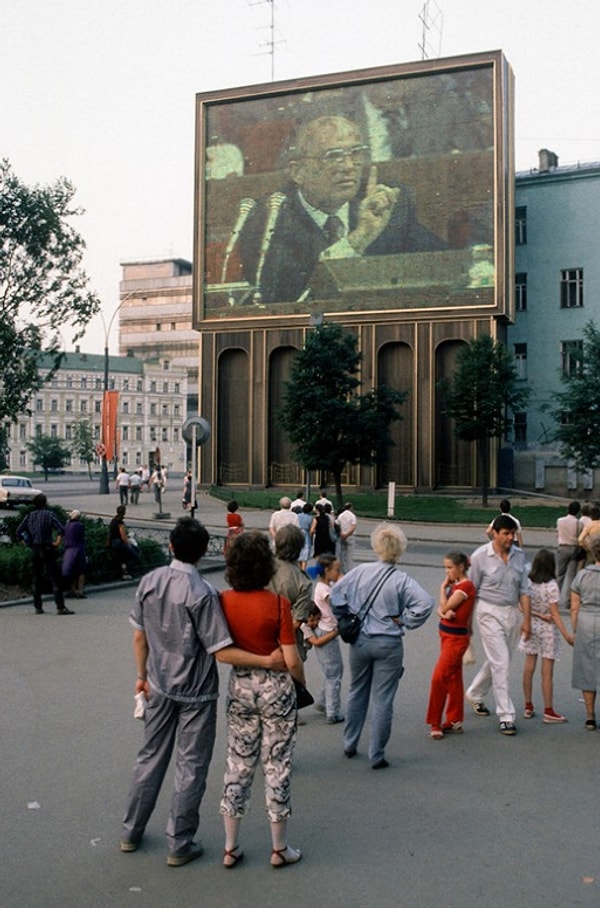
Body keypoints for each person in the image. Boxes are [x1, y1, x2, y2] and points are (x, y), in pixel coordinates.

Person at [121, 518, 286, 866]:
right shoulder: (203, 594)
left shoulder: (149, 581)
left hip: (159, 683)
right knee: (191, 765)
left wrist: (142, 676)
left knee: (149, 758)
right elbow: (220, 651)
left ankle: (131, 831)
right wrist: (267, 661)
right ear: (201, 554)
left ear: (171, 546)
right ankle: (179, 842)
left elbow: (140, 636)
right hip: (196, 692)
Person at [236, 115, 446, 303]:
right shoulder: (268, 217)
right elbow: (282, 295)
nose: (348, 166)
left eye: (355, 153)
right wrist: (358, 238)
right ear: (298, 172)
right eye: (333, 156)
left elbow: (442, 263)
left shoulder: (384, 203)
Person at [217, 530, 306, 869]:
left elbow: (222, 653)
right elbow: (291, 658)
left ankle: (230, 846)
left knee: (238, 763)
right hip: (276, 691)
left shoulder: (223, 601)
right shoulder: (279, 605)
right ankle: (279, 848)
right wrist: (298, 680)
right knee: (277, 764)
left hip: (240, 687)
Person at [330, 523, 434, 768]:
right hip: (389, 642)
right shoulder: (401, 580)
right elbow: (426, 603)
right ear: (400, 550)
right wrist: (406, 620)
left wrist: (345, 616)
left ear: (377, 546)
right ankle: (376, 753)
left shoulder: (360, 572)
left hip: (361, 641)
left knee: (357, 691)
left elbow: (336, 596)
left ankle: (349, 742)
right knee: (383, 699)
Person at [465, 514, 531, 735]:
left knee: (500, 660)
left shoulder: (519, 556)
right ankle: (506, 715)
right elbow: (470, 592)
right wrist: (467, 624)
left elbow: (524, 590)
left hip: (511, 612)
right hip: (488, 611)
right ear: (494, 533)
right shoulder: (480, 557)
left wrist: (527, 621)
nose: (511, 538)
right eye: (506, 534)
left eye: (513, 534)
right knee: (501, 662)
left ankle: (475, 693)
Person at [519, 548, 574, 723]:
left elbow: (522, 606)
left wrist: (536, 615)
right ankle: (549, 710)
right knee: (547, 672)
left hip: (531, 625)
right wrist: (566, 634)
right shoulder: (551, 585)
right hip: (547, 630)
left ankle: (528, 705)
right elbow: (555, 614)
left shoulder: (528, 582)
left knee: (529, 666)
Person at [425, 552, 476, 739]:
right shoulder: (457, 586)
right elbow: (443, 610)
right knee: (453, 678)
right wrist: (443, 611)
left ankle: (435, 721)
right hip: (447, 635)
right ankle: (454, 719)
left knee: (439, 678)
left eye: (449, 567)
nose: (447, 572)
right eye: (445, 568)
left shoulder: (465, 587)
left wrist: (442, 598)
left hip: (455, 639)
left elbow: (444, 608)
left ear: (461, 567)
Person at [16, 493, 74, 615]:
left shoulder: (29, 516)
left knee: (36, 578)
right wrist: (57, 541)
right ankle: (60, 606)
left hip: (35, 549)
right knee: (54, 577)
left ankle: (38, 606)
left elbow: (19, 531)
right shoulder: (49, 515)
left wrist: (26, 542)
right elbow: (61, 529)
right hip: (47, 548)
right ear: (45, 503)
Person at [304, 553, 344, 723]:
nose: (339, 572)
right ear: (327, 571)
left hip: (325, 631)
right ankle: (332, 712)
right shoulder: (324, 590)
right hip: (327, 633)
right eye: (337, 570)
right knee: (334, 674)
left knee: (332, 671)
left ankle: (322, 702)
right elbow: (337, 603)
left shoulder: (324, 585)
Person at [268, 525, 313, 657]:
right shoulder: (303, 581)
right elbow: (296, 623)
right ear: (300, 548)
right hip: (285, 648)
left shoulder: (261, 566)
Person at [570, 534, 600, 730]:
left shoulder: (582, 575)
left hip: (587, 623)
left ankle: (590, 716)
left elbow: (574, 606)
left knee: (587, 669)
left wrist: (575, 628)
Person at [556, 500, 581, 608]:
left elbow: (558, 533)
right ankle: (567, 601)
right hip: (574, 548)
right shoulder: (579, 523)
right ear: (578, 511)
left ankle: (555, 599)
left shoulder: (560, 521)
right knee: (571, 575)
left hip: (562, 547)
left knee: (559, 574)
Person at [108, 504, 140, 580]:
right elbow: (123, 536)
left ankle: (123, 573)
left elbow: (110, 533)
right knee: (135, 555)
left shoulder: (113, 521)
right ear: (124, 512)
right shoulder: (120, 523)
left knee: (121, 558)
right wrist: (128, 544)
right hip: (119, 543)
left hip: (113, 543)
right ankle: (129, 572)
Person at [62, 509, 87, 599]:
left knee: (71, 570)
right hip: (79, 549)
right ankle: (80, 590)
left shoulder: (66, 525)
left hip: (68, 549)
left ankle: (72, 589)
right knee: (80, 571)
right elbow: (82, 537)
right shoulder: (80, 525)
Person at [335, 502, 357, 573]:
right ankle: (349, 571)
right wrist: (347, 534)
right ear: (351, 508)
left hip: (342, 535)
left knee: (342, 554)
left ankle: (342, 570)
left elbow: (337, 524)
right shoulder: (352, 516)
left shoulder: (341, 515)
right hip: (350, 536)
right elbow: (353, 527)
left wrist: (341, 533)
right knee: (349, 555)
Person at [296, 501, 314, 571]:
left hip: (298, 534)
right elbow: (311, 530)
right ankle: (303, 570)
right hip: (306, 535)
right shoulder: (311, 518)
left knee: (298, 553)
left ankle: (299, 569)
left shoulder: (298, 516)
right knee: (305, 556)